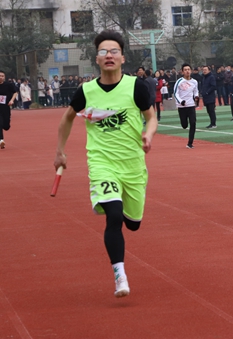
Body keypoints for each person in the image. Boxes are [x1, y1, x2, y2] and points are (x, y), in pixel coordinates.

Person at [54, 30, 157, 298]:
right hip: (102, 163)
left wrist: (148, 134)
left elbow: (151, 116)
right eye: (103, 52)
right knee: (114, 216)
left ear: (122, 58)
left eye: (113, 51)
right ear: (97, 59)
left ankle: (124, 210)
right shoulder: (86, 91)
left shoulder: (135, 86)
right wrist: (60, 152)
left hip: (133, 164)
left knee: (133, 223)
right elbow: (67, 118)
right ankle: (120, 275)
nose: (108, 55)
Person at [174, 64, 199, 149]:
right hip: (182, 106)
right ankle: (184, 124)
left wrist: (196, 96)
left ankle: (190, 143)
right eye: (185, 70)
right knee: (184, 125)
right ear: (182, 72)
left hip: (191, 105)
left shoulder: (194, 82)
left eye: (188, 69)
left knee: (193, 123)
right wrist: (181, 101)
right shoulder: (179, 81)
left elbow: (196, 91)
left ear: (191, 71)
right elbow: (175, 93)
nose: (187, 71)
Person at [0, 70, 18, 149]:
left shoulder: (8, 85)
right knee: (0, 124)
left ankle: (6, 125)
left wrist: (12, 100)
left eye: (2, 76)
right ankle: (1, 140)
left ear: (4, 77)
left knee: (6, 126)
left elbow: (15, 92)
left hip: (6, 107)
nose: (1, 77)